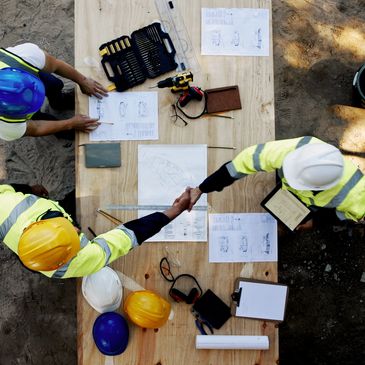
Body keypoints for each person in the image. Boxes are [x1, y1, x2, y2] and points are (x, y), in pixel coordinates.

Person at [0, 183, 191, 278]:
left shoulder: (8, 203)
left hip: (27, 243)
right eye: (75, 233)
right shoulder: (74, 264)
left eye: (69, 226)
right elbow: (129, 235)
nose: (76, 228)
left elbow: (7, 188)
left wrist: (30, 189)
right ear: (61, 262)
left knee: (68, 204)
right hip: (36, 252)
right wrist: (176, 211)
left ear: (37, 223)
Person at [189, 136, 365, 229]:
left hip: (311, 207)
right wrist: (202, 188)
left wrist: (315, 222)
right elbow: (238, 166)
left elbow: (343, 216)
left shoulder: (356, 194)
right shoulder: (295, 150)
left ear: (319, 187)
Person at [0, 42, 108, 141]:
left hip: (26, 71)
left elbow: (56, 65)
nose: (38, 98)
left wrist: (82, 81)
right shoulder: (5, 126)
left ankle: (59, 103)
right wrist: (70, 124)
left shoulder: (24, 56)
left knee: (54, 84)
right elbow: (35, 128)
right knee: (39, 118)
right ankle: (62, 130)